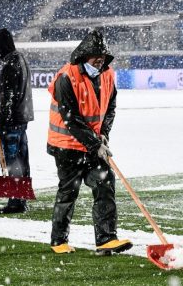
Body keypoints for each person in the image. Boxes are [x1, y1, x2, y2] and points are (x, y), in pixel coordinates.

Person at [47, 29, 132, 255]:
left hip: (93, 144)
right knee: (68, 192)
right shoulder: (66, 77)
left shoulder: (107, 75)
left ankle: (106, 239)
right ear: (84, 56)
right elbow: (70, 119)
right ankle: (59, 241)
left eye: (103, 59)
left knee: (105, 185)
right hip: (66, 145)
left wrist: (103, 134)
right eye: (96, 59)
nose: (100, 63)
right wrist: (96, 145)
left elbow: (110, 107)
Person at [0, 28, 34, 214]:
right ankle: (21, 197)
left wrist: (3, 125)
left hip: (12, 123)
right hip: (21, 120)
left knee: (13, 162)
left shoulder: (11, 65)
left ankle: (16, 202)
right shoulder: (20, 60)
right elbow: (12, 89)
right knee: (22, 160)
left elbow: (10, 97)